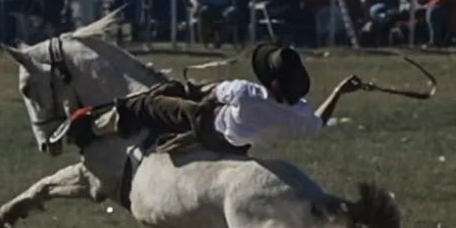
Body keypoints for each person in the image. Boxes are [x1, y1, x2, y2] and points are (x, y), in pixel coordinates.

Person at [65, 42, 364, 155]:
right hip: (242, 147)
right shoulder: (299, 116)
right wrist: (338, 92)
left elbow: (210, 93)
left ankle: (90, 127)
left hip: (211, 130)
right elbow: (318, 121)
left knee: (149, 103)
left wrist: (191, 93)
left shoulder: (246, 91)